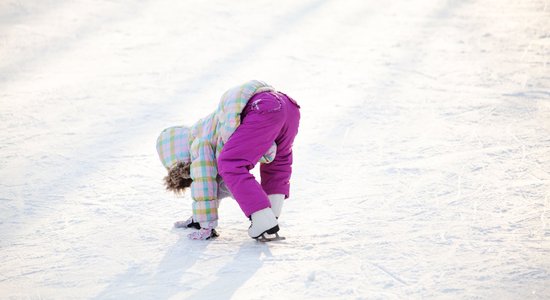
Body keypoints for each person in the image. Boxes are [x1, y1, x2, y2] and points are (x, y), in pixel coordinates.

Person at [156, 80, 300, 240]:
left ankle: (263, 220)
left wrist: (205, 225)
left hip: (262, 108)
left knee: (230, 164)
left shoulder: (198, 144)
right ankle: (271, 217)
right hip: (288, 107)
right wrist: (197, 218)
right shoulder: (208, 131)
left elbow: (204, 182)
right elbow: (218, 184)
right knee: (278, 162)